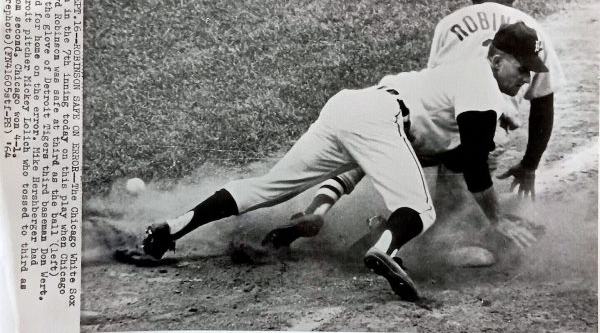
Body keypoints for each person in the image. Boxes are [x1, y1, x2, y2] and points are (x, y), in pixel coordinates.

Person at [134, 22, 546, 300]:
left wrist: (319, 208)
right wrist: (498, 219)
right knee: (420, 209)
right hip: (381, 117)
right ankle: (387, 250)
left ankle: (170, 230)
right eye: (521, 69)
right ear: (496, 60)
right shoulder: (481, 85)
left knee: (270, 186)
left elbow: (362, 156)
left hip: (350, 108)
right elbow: (474, 162)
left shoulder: (456, 85)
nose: (525, 80)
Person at [262, 0, 565, 250]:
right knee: (453, 228)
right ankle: (394, 239)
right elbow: (543, 104)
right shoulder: (534, 33)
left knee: (371, 140)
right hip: (483, 142)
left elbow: (437, 90)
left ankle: (318, 208)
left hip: (437, 126)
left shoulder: (451, 24)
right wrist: (529, 165)